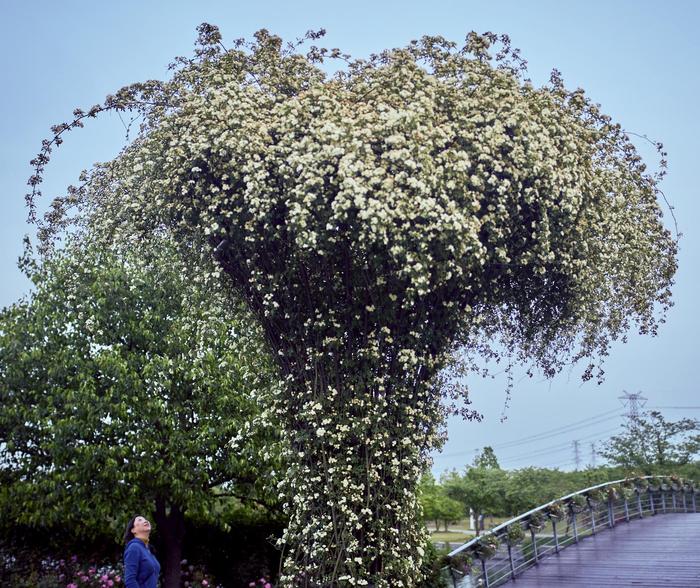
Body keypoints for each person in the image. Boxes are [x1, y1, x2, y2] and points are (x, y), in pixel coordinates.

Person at [123, 515, 161, 588]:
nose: (145, 521)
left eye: (146, 519)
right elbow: (130, 580)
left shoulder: (149, 550)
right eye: (140, 520)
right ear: (133, 530)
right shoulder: (134, 548)